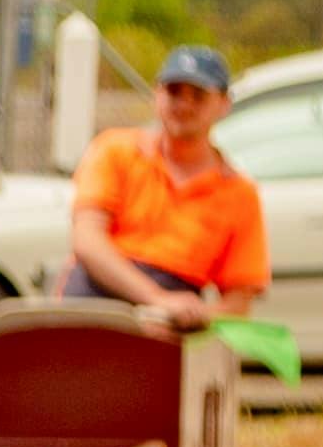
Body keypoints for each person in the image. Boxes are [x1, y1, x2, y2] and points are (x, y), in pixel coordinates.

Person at [64, 42, 270, 326]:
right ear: (156, 94)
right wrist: (156, 298)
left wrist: (194, 315)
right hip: (91, 306)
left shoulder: (239, 193)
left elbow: (239, 302)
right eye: (174, 92)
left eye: (198, 95)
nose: (184, 105)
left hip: (169, 329)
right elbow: (87, 241)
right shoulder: (115, 151)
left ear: (223, 104)